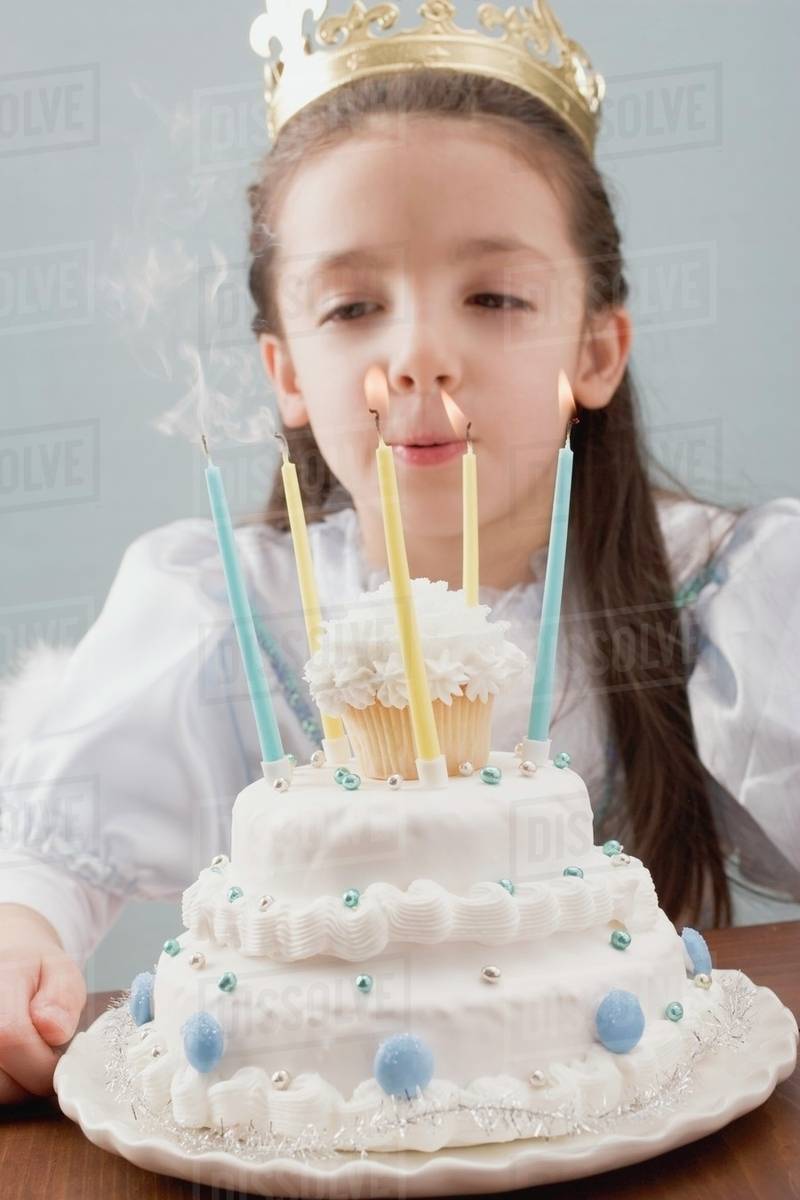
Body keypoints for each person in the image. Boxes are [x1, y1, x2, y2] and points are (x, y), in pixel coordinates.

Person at [1, 12, 799, 1111]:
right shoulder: (224, 613)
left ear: (595, 347)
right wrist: (20, 934)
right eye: (352, 306)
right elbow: (44, 859)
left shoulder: (713, 596)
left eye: (494, 297)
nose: (416, 353)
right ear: (283, 370)